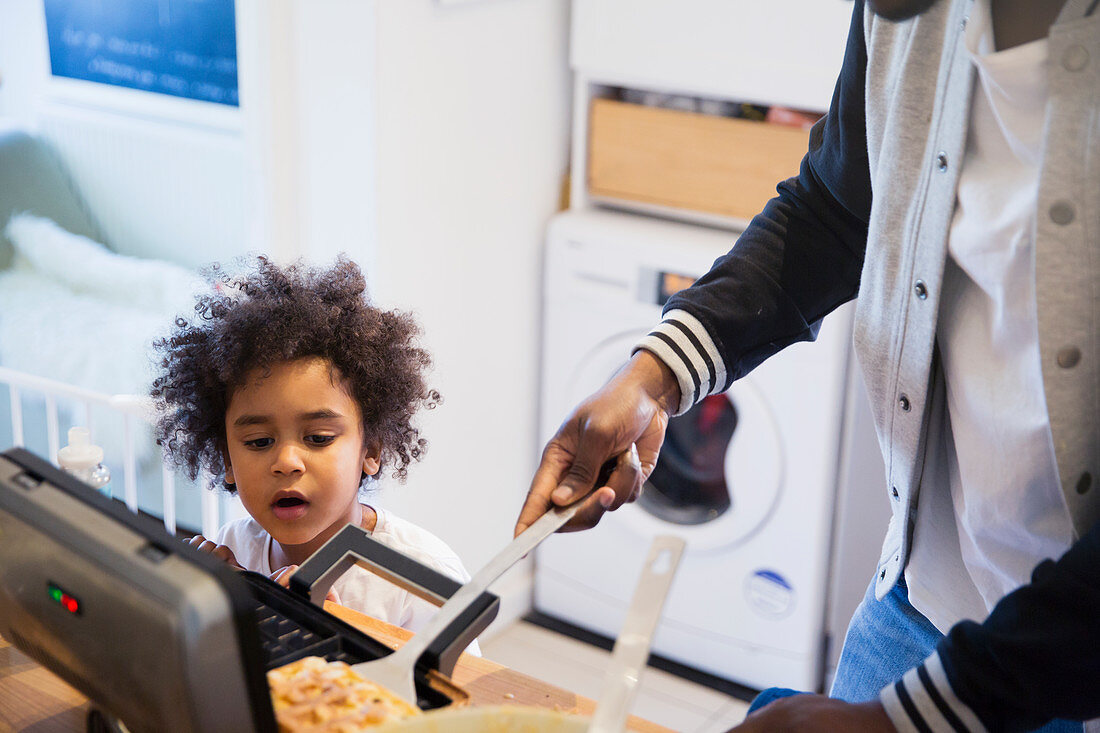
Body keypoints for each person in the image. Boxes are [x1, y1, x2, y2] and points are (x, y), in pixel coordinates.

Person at [516, 0, 1099, 729]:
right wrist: (652, 377)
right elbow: (836, 207)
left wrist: (892, 722)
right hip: (919, 597)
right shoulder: (907, 14)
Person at [151, 256, 478, 646]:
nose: (286, 462)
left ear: (370, 449)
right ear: (227, 459)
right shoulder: (234, 547)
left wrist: (330, 636)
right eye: (258, 442)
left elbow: (458, 701)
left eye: (319, 438)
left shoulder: (421, 578)